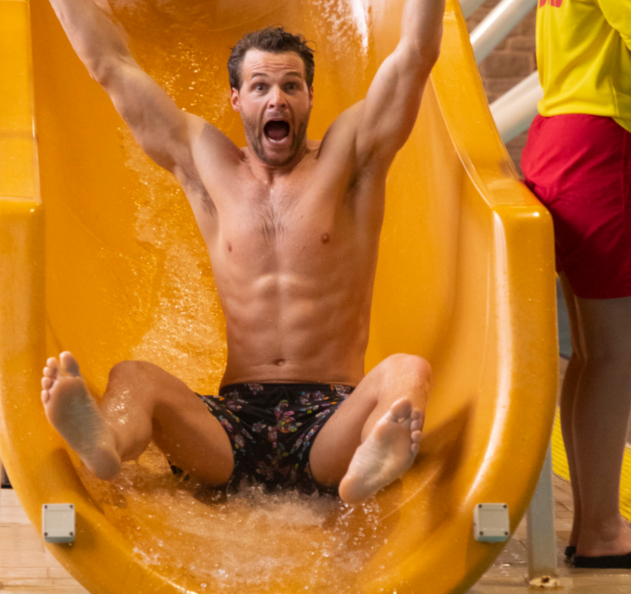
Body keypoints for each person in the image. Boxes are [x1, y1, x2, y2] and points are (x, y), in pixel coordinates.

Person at [39, 0, 446, 504]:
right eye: (261, 87)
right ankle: (107, 440)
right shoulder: (208, 165)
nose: (277, 99)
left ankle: (371, 458)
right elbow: (111, 66)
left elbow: (415, 56)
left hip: (332, 419)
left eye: (291, 86)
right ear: (236, 99)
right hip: (231, 426)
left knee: (408, 371)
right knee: (133, 376)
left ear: (311, 95)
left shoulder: (350, 158)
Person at [521, 0, 631, 568]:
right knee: (612, 357)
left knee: (594, 356)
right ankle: (601, 528)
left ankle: (593, 520)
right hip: (611, 146)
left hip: (567, 135)